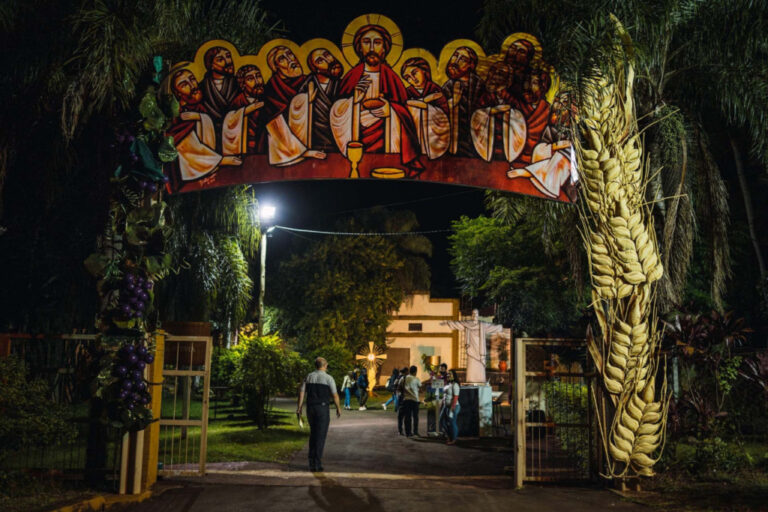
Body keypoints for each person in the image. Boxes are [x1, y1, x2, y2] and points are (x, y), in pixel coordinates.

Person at [329, 24, 422, 173]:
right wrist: (354, 102)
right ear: (359, 48)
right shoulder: (351, 77)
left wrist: (391, 110)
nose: (372, 48)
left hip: (386, 138)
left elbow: (406, 111)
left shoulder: (392, 78)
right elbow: (335, 111)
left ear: (384, 49)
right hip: (357, 136)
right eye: (366, 42)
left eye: (377, 43)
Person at [168, 69, 242, 181]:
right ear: (178, 93)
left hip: (205, 151)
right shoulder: (177, 110)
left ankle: (211, 162)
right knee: (186, 141)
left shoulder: (199, 107)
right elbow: (175, 134)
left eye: (192, 79)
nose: (192, 85)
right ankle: (217, 161)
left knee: (205, 119)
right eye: (184, 85)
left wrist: (199, 117)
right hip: (184, 158)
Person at [259, 45, 326, 166]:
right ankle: (300, 151)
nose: (290, 60)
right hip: (282, 142)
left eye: (290, 54)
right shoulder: (272, 88)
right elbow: (271, 120)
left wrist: (310, 102)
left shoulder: (308, 80)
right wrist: (305, 100)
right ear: (276, 67)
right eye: (282, 59)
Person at [296, 357, 341, 472]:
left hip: (310, 408)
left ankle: (311, 461)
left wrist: (299, 407)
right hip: (322, 408)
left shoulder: (308, 376)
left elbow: (301, 392)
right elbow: (335, 395)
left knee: (313, 433)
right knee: (320, 435)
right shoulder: (328, 378)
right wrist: (338, 408)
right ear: (324, 365)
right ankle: (317, 463)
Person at [441, 46, 487, 157]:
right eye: (455, 56)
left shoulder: (479, 85)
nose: (456, 61)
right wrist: (453, 102)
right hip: (454, 140)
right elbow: (441, 113)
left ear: (471, 65)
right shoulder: (448, 86)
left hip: (474, 139)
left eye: (462, 59)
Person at [441, 369, 462, 445]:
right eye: (448, 374)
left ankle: (454, 439)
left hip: (453, 406)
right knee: (442, 421)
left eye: (450, 374)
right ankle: (449, 436)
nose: (448, 375)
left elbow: (456, 397)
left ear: (454, 375)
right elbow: (445, 396)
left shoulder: (455, 385)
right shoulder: (448, 384)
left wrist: (452, 408)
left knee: (452, 422)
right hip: (445, 406)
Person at [402, 365, 421, 437]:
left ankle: (408, 432)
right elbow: (420, 386)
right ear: (415, 372)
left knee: (407, 417)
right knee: (415, 417)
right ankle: (415, 431)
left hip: (406, 400)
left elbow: (400, 386)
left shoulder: (404, 378)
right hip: (415, 400)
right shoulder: (416, 379)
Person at [395, 367, 408, 434]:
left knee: (401, 416)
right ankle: (405, 431)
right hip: (404, 398)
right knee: (405, 416)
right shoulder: (403, 378)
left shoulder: (400, 377)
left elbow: (395, 384)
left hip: (401, 397)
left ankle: (400, 430)